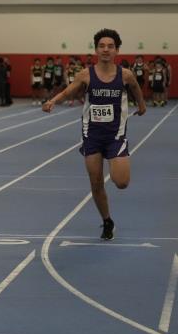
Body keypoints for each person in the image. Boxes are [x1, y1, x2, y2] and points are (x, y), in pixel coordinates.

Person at [43, 28, 146, 240]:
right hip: (92, 135)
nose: (106, 49)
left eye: (110, 46)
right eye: (102, 46)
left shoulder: (125, 75)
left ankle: (115, 168)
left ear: (117, 50)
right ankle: (107, 221)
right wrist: (53, 101)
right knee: (96, 182)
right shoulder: (85, 75)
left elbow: (135, 87)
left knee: (121, 182)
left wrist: (142, 104)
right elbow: (69, 91)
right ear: (96, 50)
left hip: (115, 135)